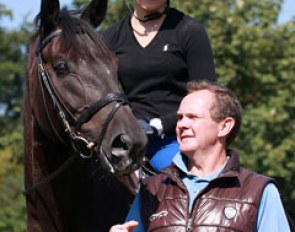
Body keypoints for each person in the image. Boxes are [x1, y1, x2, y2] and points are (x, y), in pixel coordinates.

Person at [109, 80, 291, 232]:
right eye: (180, 118)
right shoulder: (151, 190)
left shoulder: (259, 191)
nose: (181, 125)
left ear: (224, 126)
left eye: (193, 117)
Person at [102, 0, 216, 172]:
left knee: (181, 182)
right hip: (127, 136)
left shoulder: (189, 30)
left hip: (173, 138)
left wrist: (161, 124)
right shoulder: (110, 37)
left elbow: (206, 95)